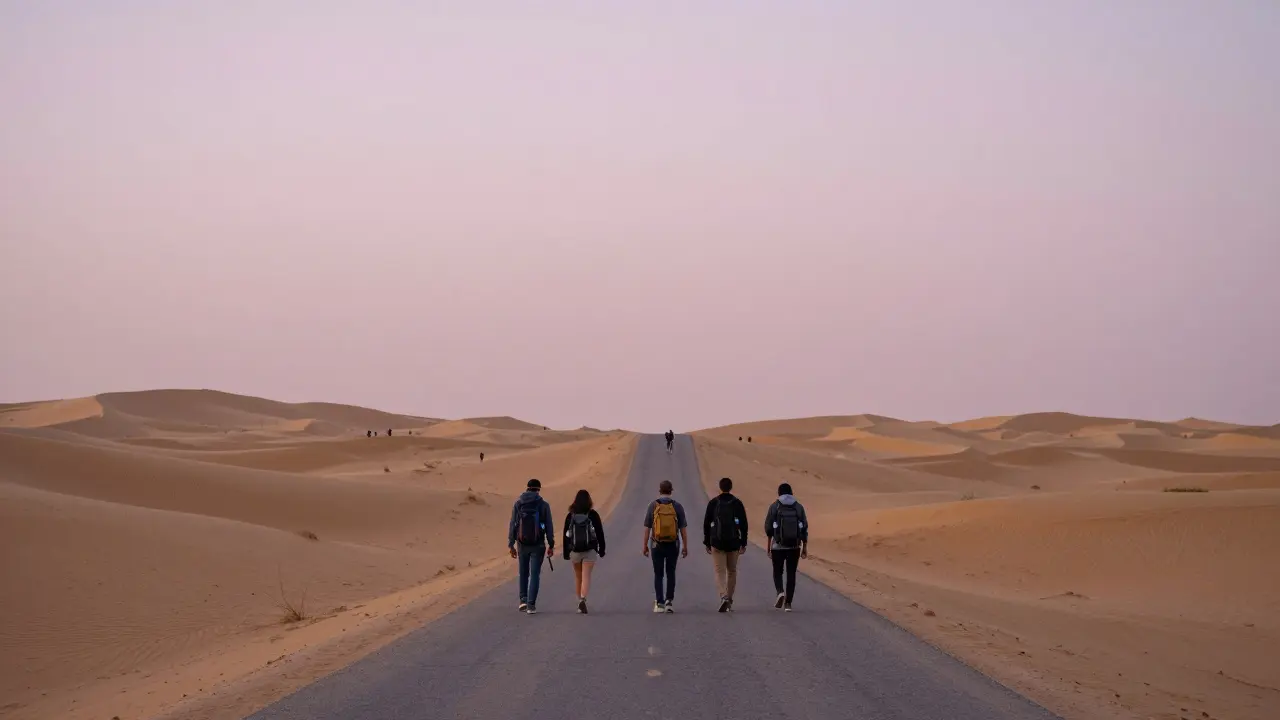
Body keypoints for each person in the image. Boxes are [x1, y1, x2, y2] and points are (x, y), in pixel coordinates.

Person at [508, 479, 555, 614]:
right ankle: (531, 605)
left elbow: (513, 524)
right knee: (534, 574)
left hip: (522, 543)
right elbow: (549, 526)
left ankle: (523, 600)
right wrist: (551, 544)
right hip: (538, 543)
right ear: (538, 489)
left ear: (527, 488)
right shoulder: (543, 505)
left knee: (523, 572)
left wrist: (511, 544)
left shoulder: (518, 503)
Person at [703, 476, 749, 612]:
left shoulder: (713, 503)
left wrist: (707, 541)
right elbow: (744, 524)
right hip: (734, 542)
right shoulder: (737, 503)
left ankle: (723, 595)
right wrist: (743, 542)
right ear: (731, 487)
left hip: (717, 542)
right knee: (732, 571)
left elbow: (706, 523)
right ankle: (729, 598)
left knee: (719, 571)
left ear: (720, 487)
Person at [642, 480, 688, 613]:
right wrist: (685, 546)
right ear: (671, 491)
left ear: (660, 491)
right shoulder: (677, 506)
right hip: (673, 544)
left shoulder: (653, 505)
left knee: (658, 573)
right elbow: (683, 529)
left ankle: (659, 603)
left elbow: (647, 528)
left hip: (657, 544)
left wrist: (644, 546)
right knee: (671, 572)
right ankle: (669, 601)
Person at [764, 482, 809, 612]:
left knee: (777, 571)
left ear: (779, 493)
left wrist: (768, 546)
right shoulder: (798, 507)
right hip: (794, 546)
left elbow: (768, 528)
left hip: (777, 546)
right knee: (791, 574)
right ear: (791, 493)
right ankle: (788, 604)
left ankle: (780, 592)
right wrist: (804, 546)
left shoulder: (774, 506)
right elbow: (804, 527)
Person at [562, 489, 606, 614]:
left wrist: (566, 552)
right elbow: (599, 533)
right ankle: (583, 599)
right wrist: (602, 549)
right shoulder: (593, 514)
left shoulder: (570, 515)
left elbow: (566, 536)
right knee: (586, 576)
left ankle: (579, 603)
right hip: (590, 550)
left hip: (575, 551)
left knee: (578, 576)